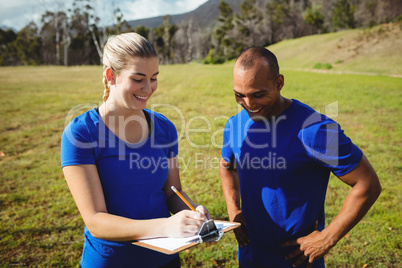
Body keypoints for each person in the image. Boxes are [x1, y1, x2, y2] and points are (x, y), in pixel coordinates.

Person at [219, 47, 381, 268]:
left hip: (296, 261)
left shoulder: (317, 130)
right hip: (249, 258)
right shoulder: (234, 125)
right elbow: (227, 165)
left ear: (279, 83)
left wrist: (327, 237)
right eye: (240, 95)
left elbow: (367, 183)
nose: (248, 104)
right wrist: (233, 211)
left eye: (258, 94)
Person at [61, 32, 211, 267]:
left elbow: (173, 193)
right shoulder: (81, 134)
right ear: (111, 75)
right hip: (111, 261)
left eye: (153, 78)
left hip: (166, 260)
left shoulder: (164, 128)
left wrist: (195, 214)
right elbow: (95, 221)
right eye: (138, 78)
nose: (148, 88)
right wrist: (165, 226)